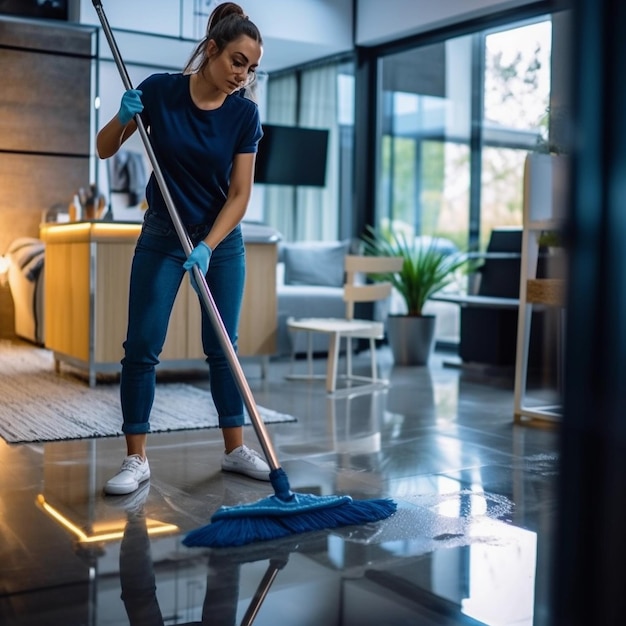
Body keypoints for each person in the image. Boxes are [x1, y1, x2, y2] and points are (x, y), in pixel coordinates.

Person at [97, 2, 270, 496]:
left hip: (220, 238)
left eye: (252, 67)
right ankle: (136, 460)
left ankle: (235, 449)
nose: (243, 74)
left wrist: (210, 246)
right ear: (211, 50)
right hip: (163, 235)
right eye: (238, 60)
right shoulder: (159, 91)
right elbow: (105, 147)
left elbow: (240, 195)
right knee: (142, 348)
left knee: (222, 347)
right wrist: (122, 115)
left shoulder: (244, 115)